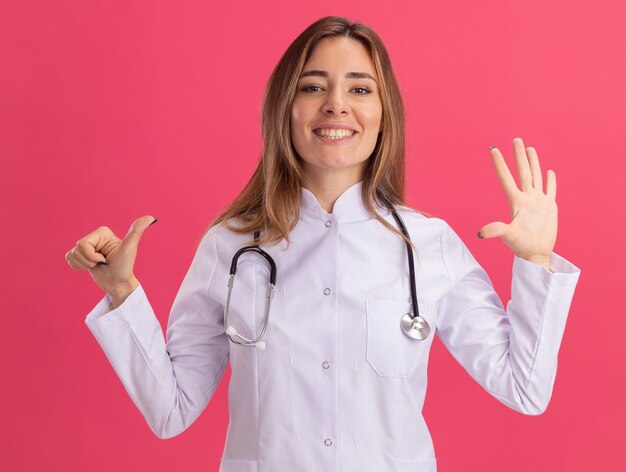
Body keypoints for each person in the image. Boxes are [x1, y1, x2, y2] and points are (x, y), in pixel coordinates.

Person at [65, 15, 581, 472]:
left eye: (360, 90)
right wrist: (122, 292)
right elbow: (170, 410)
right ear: (285, 108)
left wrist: (535, 261)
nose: (336, 105)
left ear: (385, 114)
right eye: (313, 87)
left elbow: (523, 388)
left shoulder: (429, 244)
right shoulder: (231, 246)